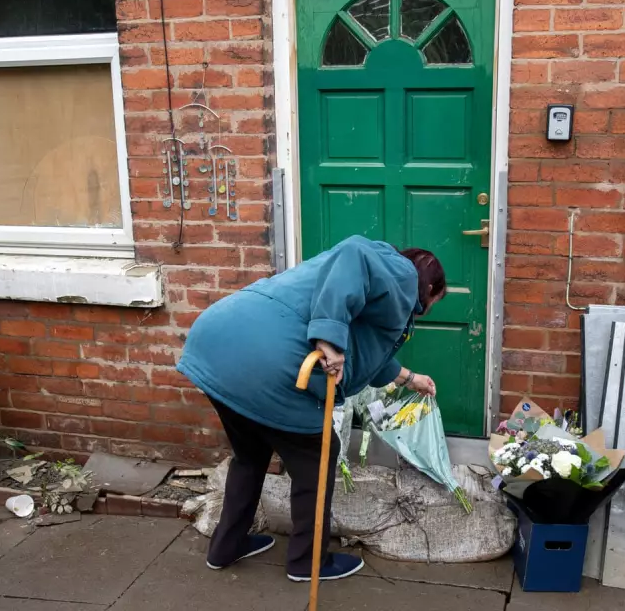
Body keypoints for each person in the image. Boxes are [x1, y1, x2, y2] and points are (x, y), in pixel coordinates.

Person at [177, 235, 446, 582]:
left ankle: (226, 547)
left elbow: (368, 356)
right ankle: (308, 562)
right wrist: (328, 338)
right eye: (433, 302)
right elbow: (355, 251)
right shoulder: (400, 273)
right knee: (319, 457)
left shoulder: (375, 292)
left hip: (216, 346)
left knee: (250, 454)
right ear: (430, 287)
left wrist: (410, 378)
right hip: (270, 366)